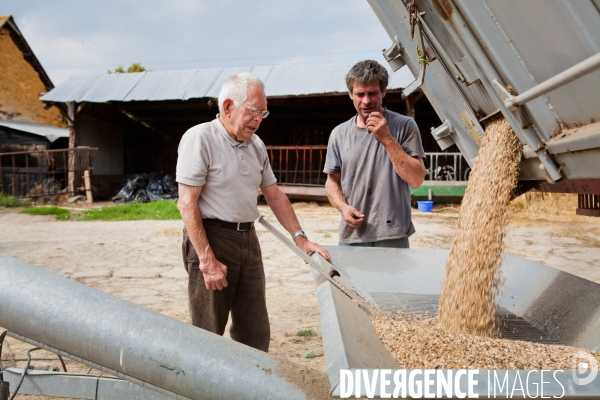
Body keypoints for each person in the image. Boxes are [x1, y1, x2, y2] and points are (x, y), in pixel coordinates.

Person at [176, 72, 330, 353]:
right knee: (208, 331)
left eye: (263, 112)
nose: (259, 118)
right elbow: (186, 203)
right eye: (253, 110)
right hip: (212, 238)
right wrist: (207, 260)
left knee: (255, 331)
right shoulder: (200, 138)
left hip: (248, 238)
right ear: (227, 107)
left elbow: (274, 194)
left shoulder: (256, 145)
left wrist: (300, 238)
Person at [324, 60, 426, 248]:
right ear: (350, 95)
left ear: (384, 92)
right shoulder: (339, 133)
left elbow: (417, 179)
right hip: (352, 237)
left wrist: (387, 138)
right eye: (360, 94)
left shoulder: (404, 126)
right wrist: (343, 208)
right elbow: (332, 182)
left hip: (393, 236)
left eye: (372, 93)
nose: (366, 101)